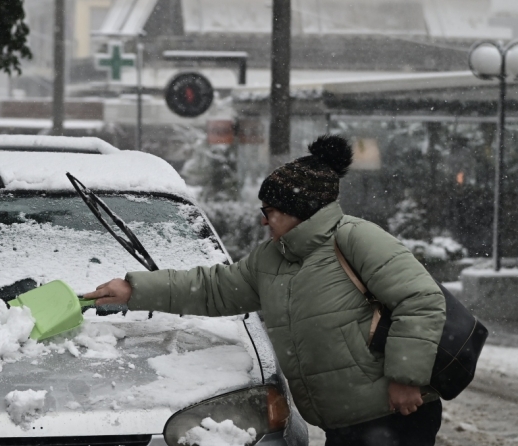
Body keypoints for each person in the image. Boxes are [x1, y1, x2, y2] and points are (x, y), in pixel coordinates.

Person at [84, 135, 446, 446]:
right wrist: (133, 289)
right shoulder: (273, 258)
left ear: (299, 210)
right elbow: (213, 288)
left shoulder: (354, 238)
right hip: (345, 421)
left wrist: (405, 378)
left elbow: (421, 300)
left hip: (394, 412)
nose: (263, 219)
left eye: (270, 210)